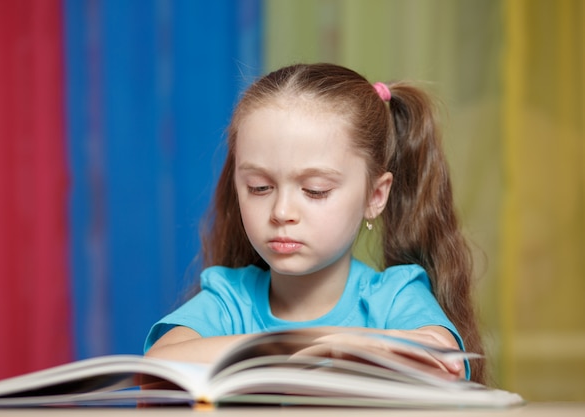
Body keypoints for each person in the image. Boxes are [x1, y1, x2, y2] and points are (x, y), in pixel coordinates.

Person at [144, 63, 486, 383]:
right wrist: (326, 341)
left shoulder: (393, 298)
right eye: (259, 187)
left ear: (375, 197)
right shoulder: (230, 298)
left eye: (315, 190)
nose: (281, 211)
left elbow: (446, 366)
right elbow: (158, 364)